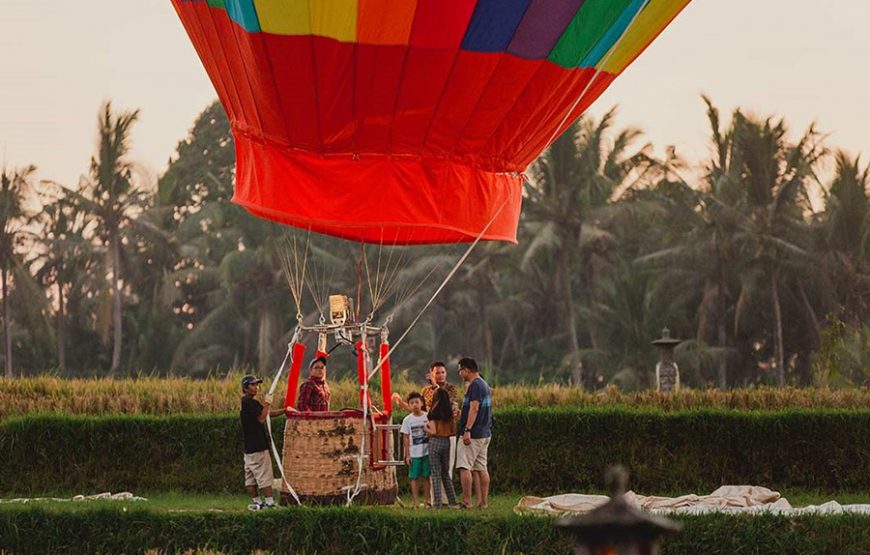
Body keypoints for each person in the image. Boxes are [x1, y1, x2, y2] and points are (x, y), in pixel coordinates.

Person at [240, 374, 286, 510]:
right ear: (245, 388)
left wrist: (285, 410)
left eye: (256, 385)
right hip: (258, 447)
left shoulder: (248, 403)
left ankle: (257, 503)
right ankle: (270, 503)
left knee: (250, 479)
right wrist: (267, 403)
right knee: (265, 476)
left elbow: (268, 414)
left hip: (248, 449)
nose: (256, 387)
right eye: (253, 385)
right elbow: (262, 418)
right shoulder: (249, 402)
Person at [455, 357, 492, 509]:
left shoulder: (475, 385)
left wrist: (467, 430)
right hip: (485, 433)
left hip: (474, 433)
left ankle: (466, 501)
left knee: (464, 466)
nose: (460, 373)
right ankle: (483, 503)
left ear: (467, 370)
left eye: (460, 370)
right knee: (481, 468)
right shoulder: (484, 384)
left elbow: (474, 408)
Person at [426, 387, 458, 508]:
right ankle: (453, 501)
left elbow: (433, 432)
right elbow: (454, 431)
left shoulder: (433, 414)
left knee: (435, 474)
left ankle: (437, 504)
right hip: (446, 442)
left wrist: (426, 428)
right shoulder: (449, 415)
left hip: (435, 442)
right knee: (445, 473)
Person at [400, 392, 431, 508]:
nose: (415, 405)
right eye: (412, 403)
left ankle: (427, 501)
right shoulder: (407, 420)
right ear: (409, 405)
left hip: (427, 452)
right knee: (414, 477)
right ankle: (415, 502)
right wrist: (407, 455)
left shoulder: (427, 416)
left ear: (422, 403)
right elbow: (406, 438)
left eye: (417, 402)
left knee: (427, 476)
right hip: (414, 454)